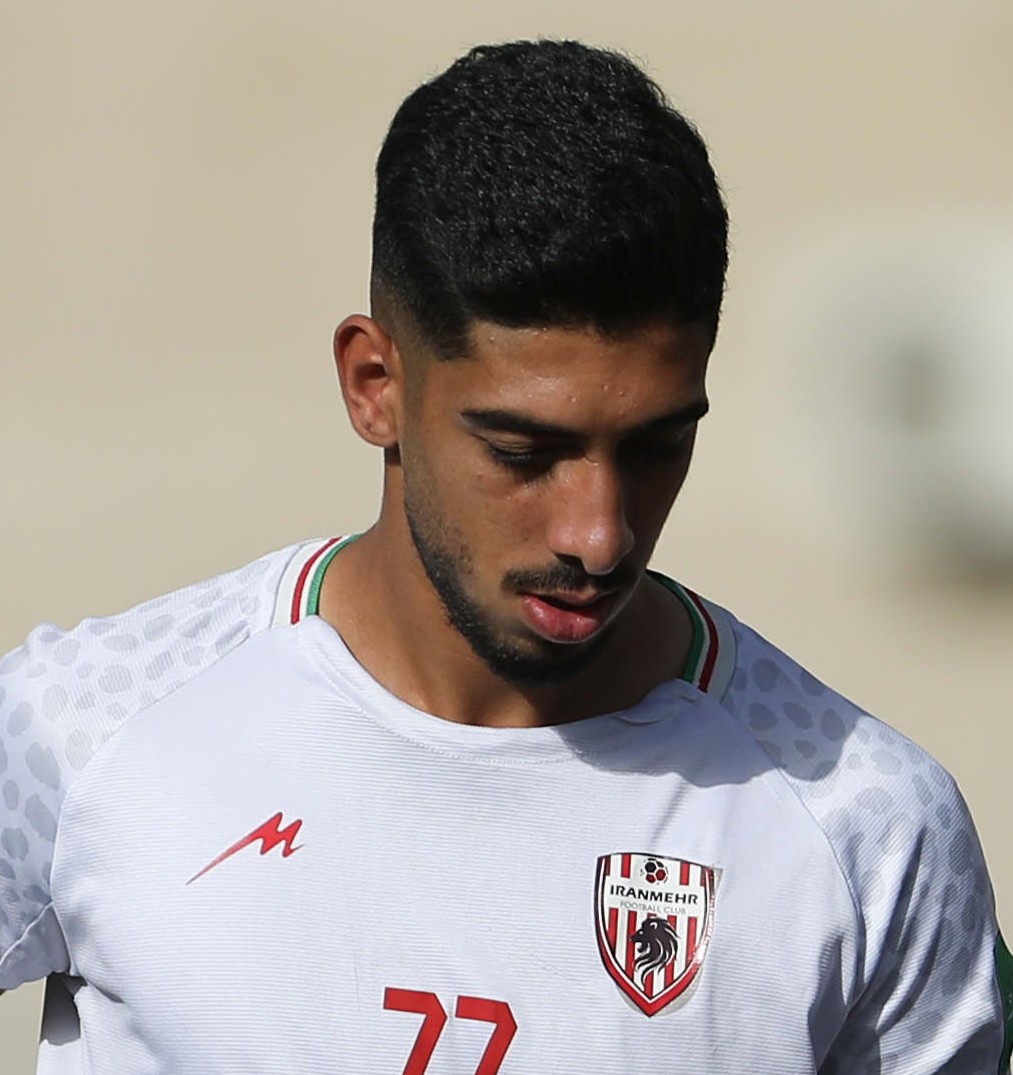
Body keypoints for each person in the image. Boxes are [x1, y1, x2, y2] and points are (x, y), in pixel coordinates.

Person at [0, 38, 1009, 1075]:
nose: (598, 534)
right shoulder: (79, 731)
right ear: (373, 385)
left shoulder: (869, 825)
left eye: (655, 445)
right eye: (523, 453)